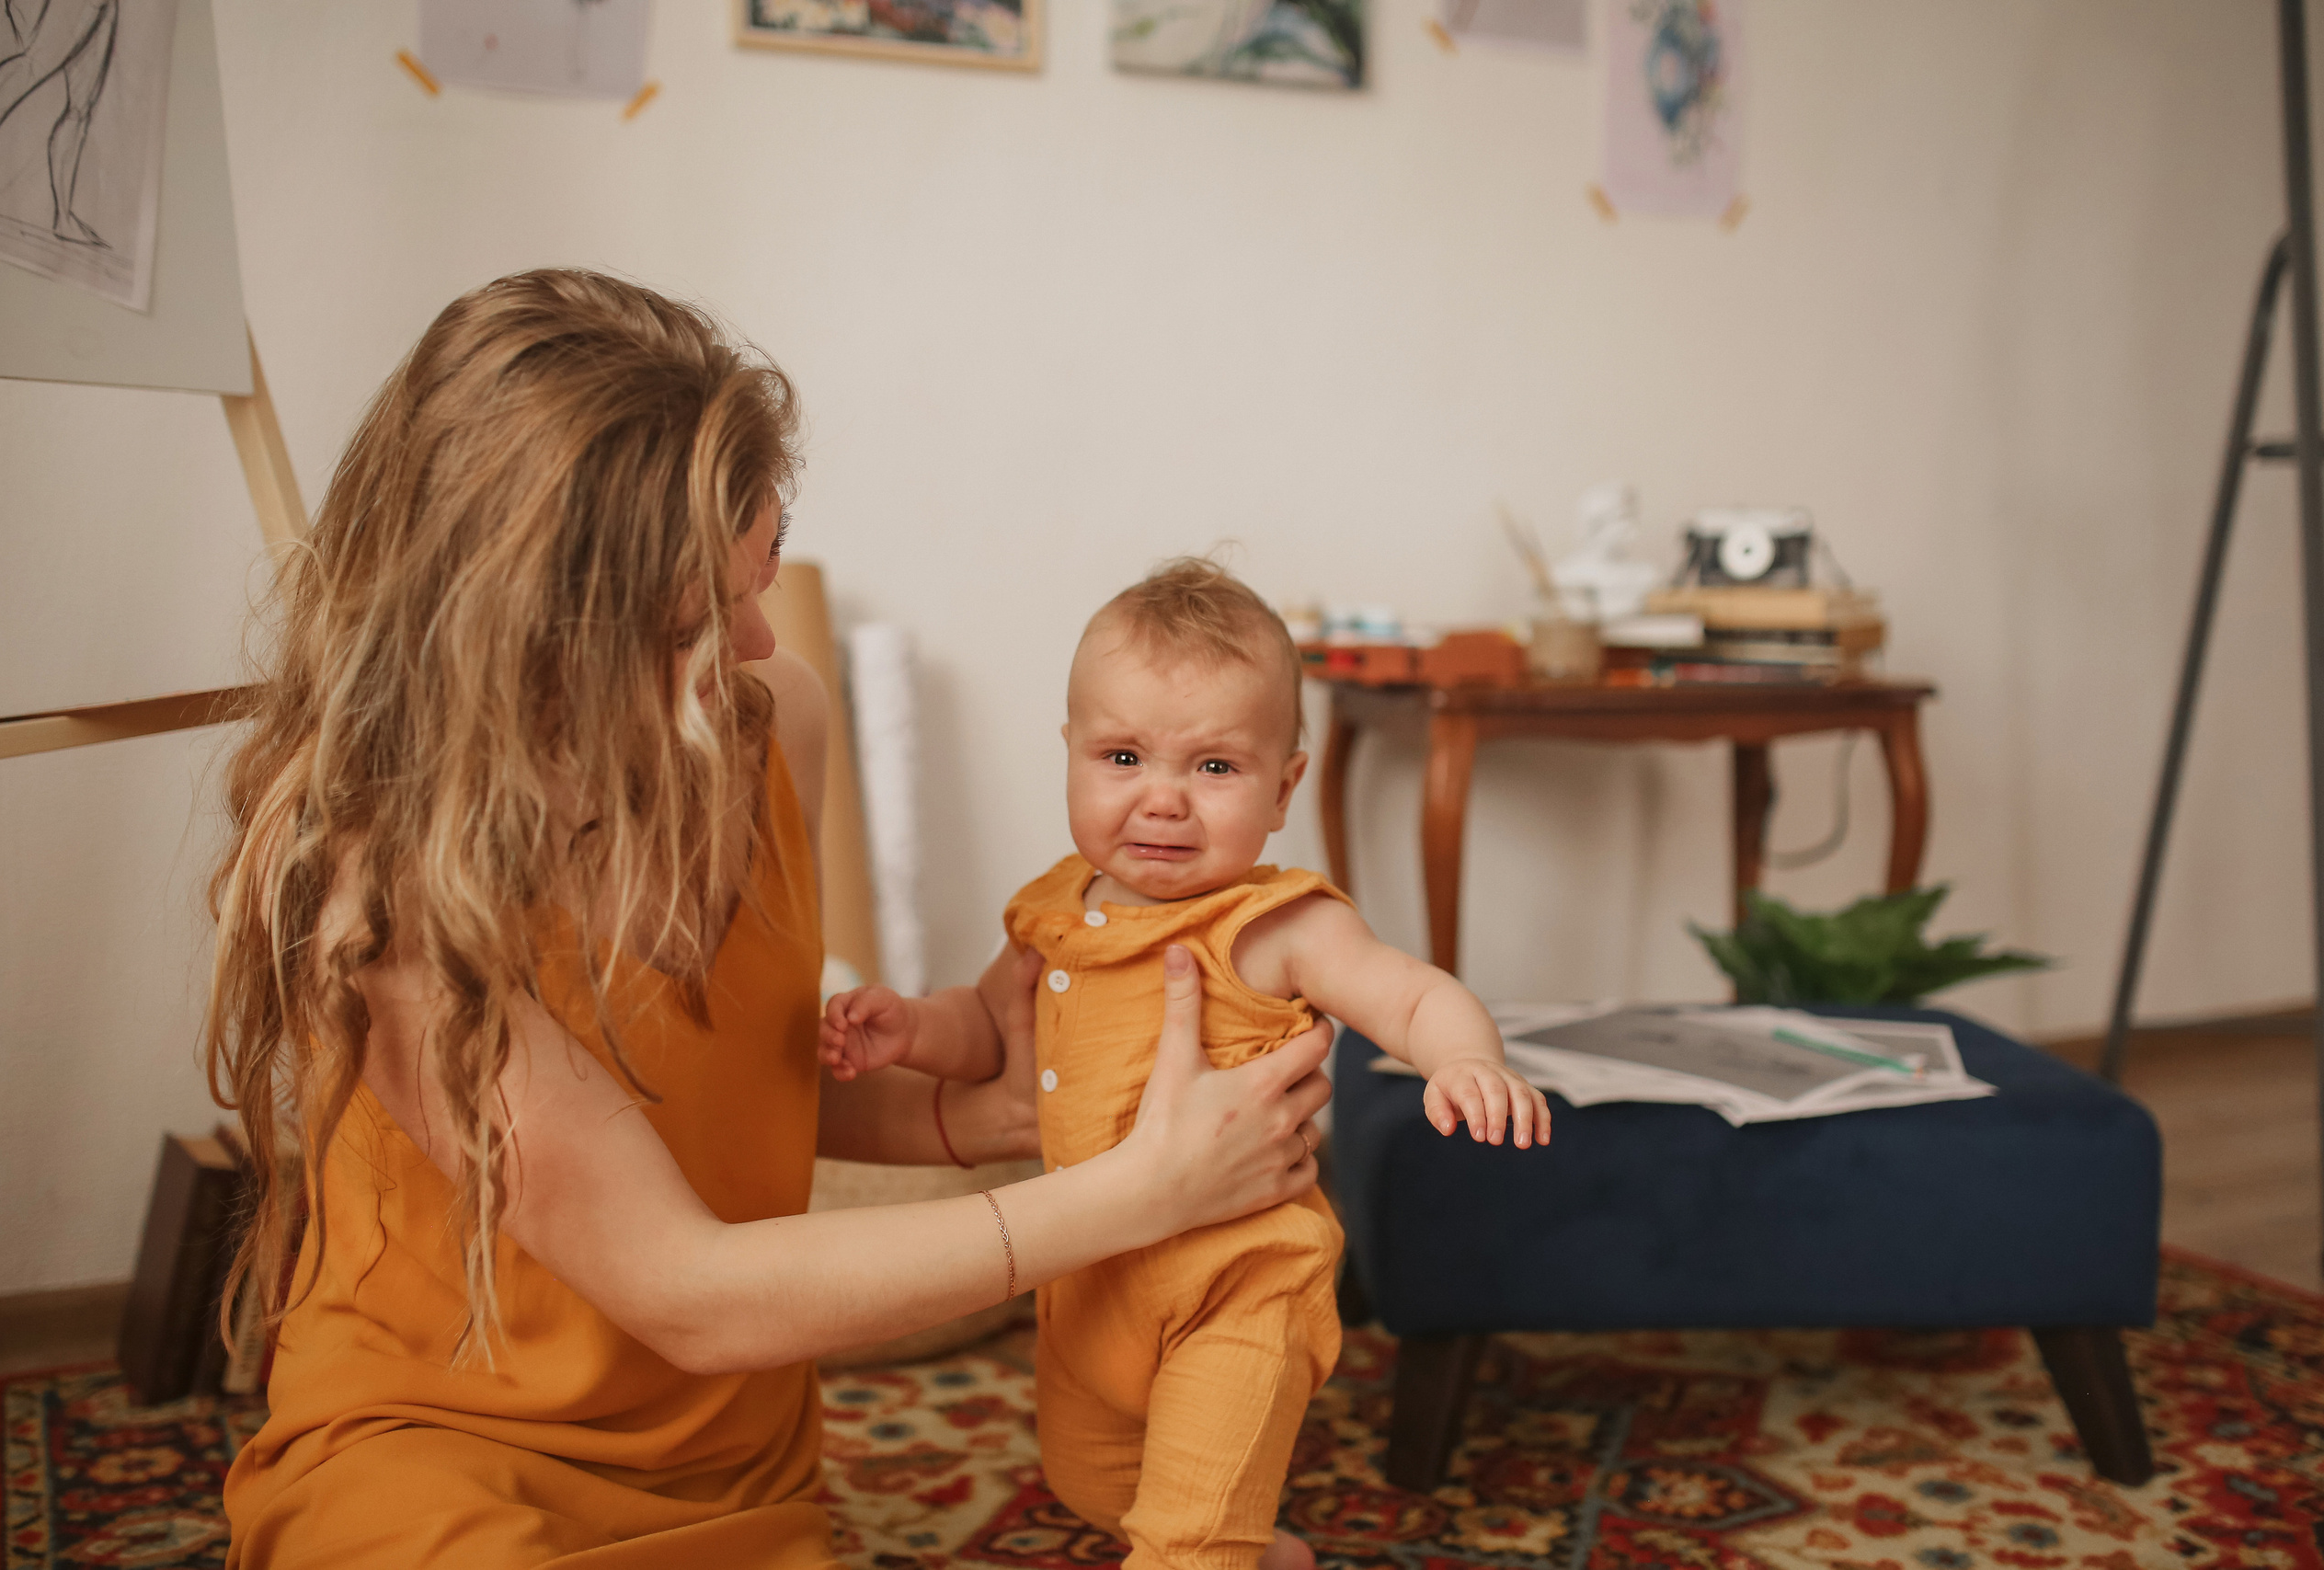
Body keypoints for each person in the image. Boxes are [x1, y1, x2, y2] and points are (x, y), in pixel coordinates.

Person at [205, 271, 1334, 1569]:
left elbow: (721, 1084)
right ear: (521, 640)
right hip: (439, 1457)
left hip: (735, 1465)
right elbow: (684, 1287)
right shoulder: (378, 890)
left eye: (765, 564)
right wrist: (1138, 1192)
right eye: (696, 617)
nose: (755, 636)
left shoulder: (774, 716)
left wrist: (990, 1113)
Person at [819, 559, 1550, 1570]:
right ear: (1069, 755)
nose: (1163, 802)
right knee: (1093, 1480)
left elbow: (1412, 993)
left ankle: (1218, 1548)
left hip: (1236, 1286)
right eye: (1123, 757)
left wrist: (1464, 1059)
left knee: (1188, 1533)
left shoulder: (1274, 923)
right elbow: (989, 1028)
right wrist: (910, 1030)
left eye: (1213, 769)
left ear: (1284, 786)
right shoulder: (1054, 910)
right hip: (1090, 1275)